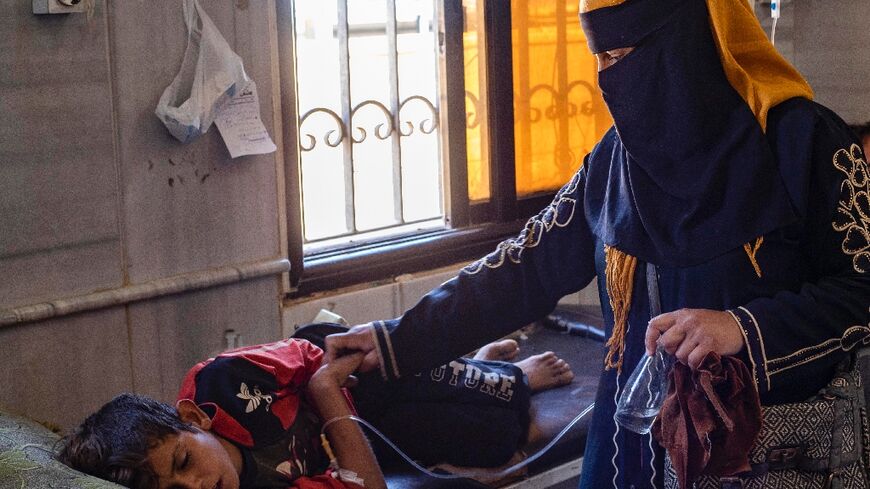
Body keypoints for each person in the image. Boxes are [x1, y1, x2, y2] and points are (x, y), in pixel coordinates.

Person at [325, 0, 870, 488]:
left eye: (624, 54)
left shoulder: (803, 144)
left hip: (764, 458)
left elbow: (861, 288)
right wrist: (397, 340)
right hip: (625, 453)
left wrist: (741, 329)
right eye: (600, 58)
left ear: (686, 43)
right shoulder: (616, 163)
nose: (610, 79)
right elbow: (524, 267)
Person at [57, 333, 574, 489]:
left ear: (194, 421)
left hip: (345, 382)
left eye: (186, 462)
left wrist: (328, 388)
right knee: (500, 434)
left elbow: (310, 359)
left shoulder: (219, 380)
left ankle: (497, 370)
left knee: (451, 379)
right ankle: (475, 371)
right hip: (353, 427)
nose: (195, 488)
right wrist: (333, 417)